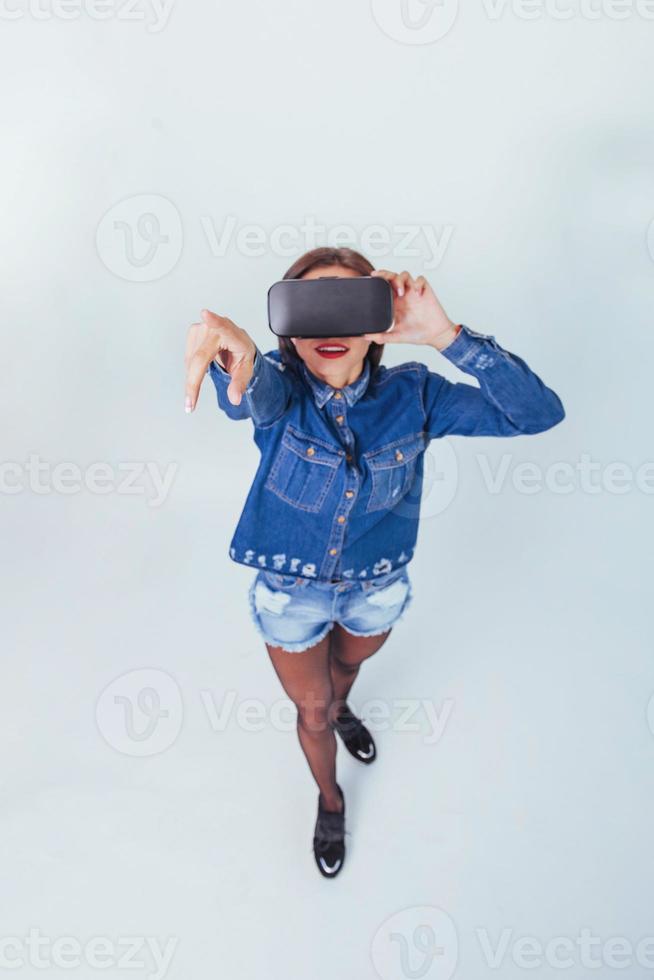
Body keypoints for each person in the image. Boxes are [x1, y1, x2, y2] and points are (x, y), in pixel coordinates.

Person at [184, 247, 565, 879]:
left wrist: (445, 336)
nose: (328, 330)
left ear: (377, 320)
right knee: (311, 710)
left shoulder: (416, 396)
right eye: (310, 309)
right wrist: (241, 353)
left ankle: (343, 707)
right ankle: (330, 800)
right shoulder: (279, 393)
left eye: (347, 306)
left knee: (343, 675)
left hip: (376, 587)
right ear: (286, 328)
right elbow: (249, 390)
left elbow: (537, 414)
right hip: (293, 592)